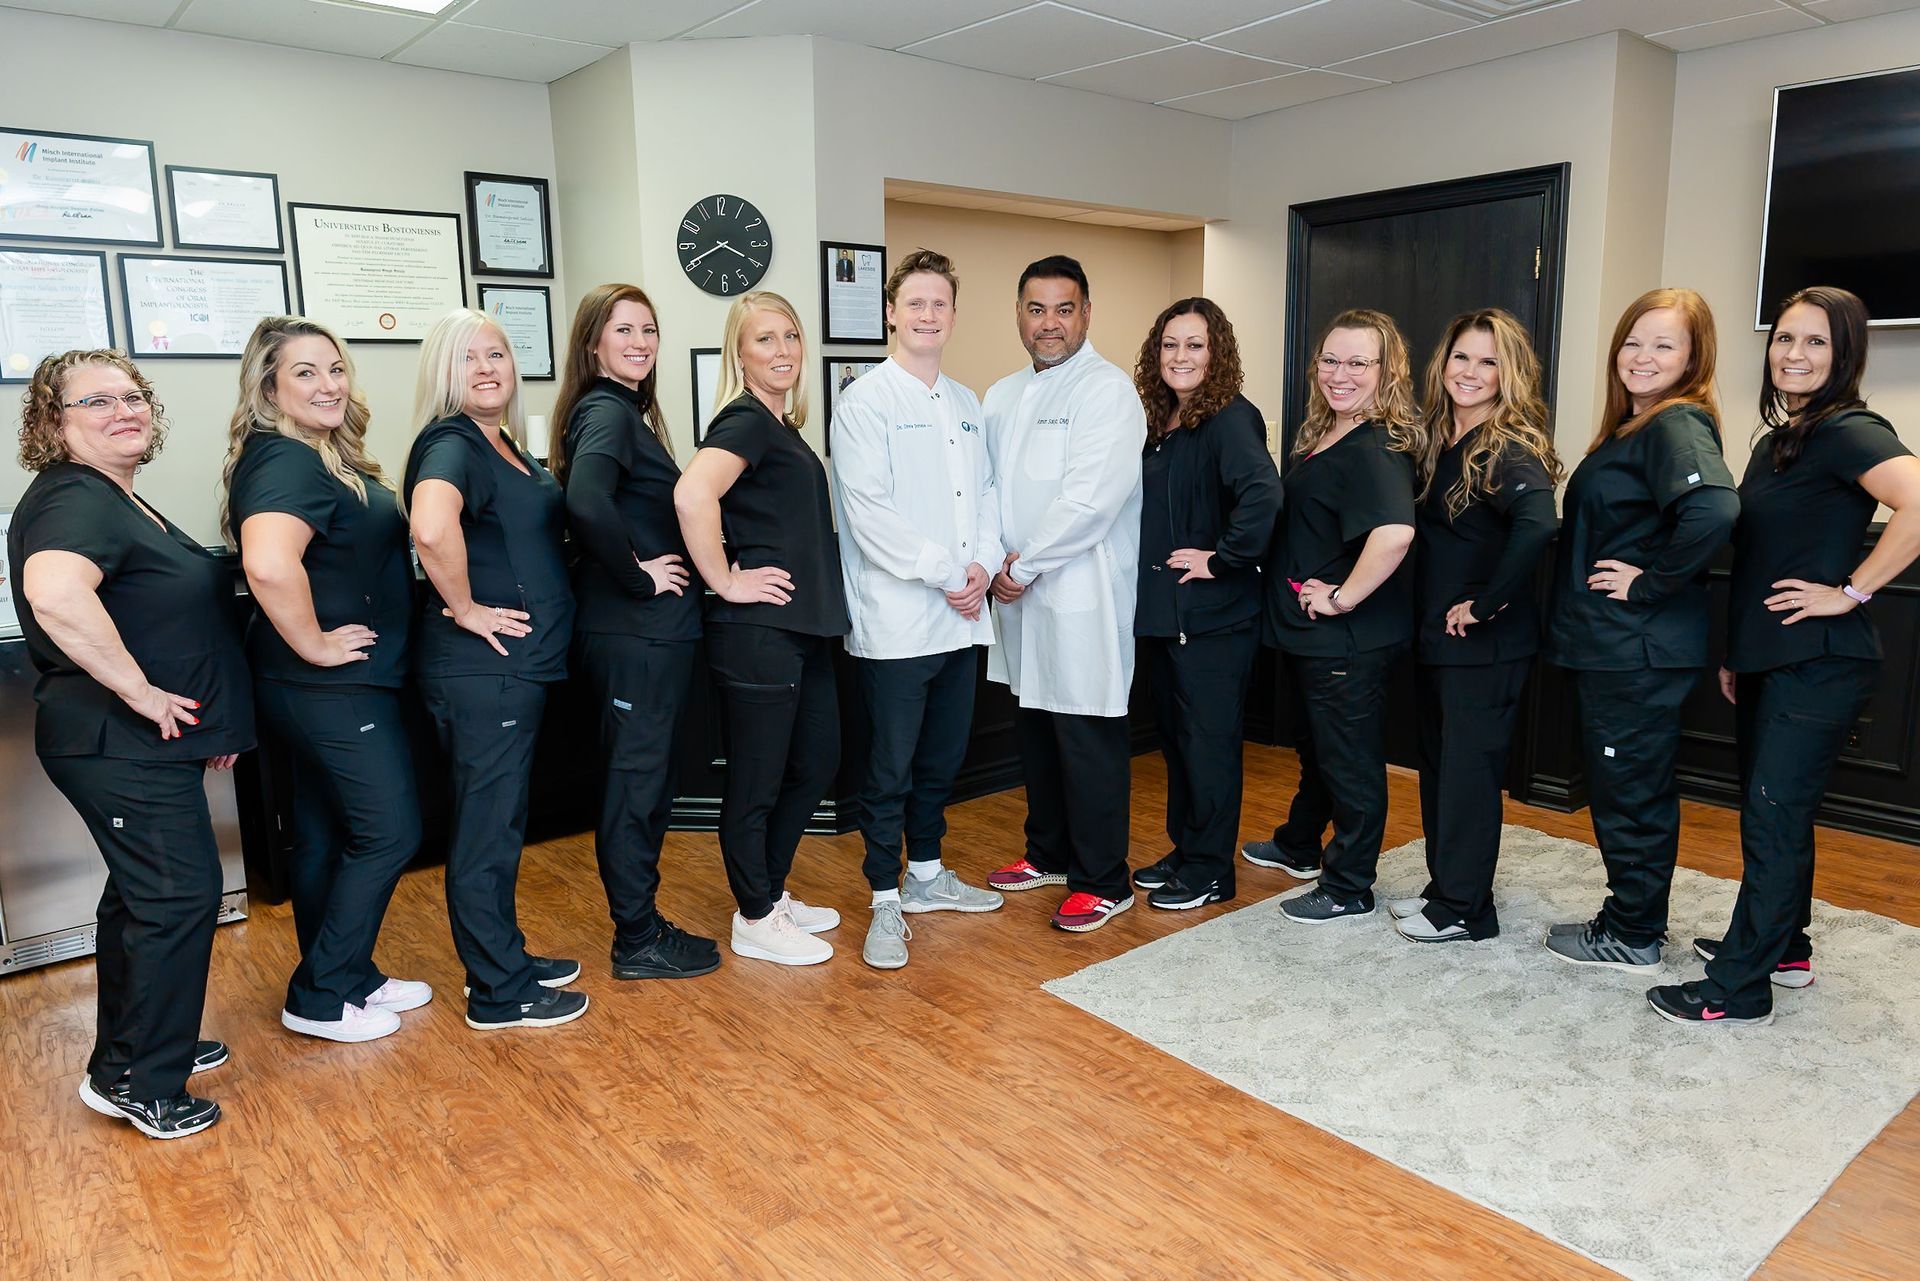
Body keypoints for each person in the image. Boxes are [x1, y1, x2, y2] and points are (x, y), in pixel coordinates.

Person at [1650, 287, 1920, 1024]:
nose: (1793, 355)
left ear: (1844, 357)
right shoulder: (1780, 442)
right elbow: (1766, 554)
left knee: (1772, 819)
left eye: (1815, 343)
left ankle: (1737, 988)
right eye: (1784, 339)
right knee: (1778, 814)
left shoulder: (1848, 430)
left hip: (1821, 661)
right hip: (1773, 658)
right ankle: (1787, 948)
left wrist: (1852, 590)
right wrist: (1743, 652)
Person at [9, 350, 252, 1139]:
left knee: (143, 895)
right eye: (97, 400)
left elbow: (165, 616)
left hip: (145, 742)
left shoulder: (117, 498)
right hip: (115, 738)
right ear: (53, 421)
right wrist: (142, 692)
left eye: (134, 396)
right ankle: (144, 1080)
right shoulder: (71, 500)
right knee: (177, 895)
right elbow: (54, 594)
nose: (125, 410)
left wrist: (201, 719)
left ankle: (133, 1050)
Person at [220, 317, 429, 1043]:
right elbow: (270, 565)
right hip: (324, 687)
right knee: (389, 828)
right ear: (269, 386)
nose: (328, 384)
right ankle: (317, 993)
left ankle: (350, 975)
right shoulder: (285, 461)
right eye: (305, 372)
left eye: (335, 368)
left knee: (320, 831)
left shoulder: (317, 456)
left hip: (314, 687)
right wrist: (313, 643)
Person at [1544, 288, 1738, 971]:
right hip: (1619, 647)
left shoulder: (1675, 425)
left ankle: (1632, 932)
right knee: (1631, 788)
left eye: (1665, 344)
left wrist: (1649, 581)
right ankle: (1633, 917)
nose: (1643, 356)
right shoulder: (1639, 425)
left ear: (1694, 358)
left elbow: (1714, 510)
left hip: (1636, 649)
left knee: (1631, 793)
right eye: (1634, 340)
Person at [403, 309, 585, 1029]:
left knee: (501, 823)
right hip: (484, 670)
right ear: (445, 372)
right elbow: (429, 524)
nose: (487, 368)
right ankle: (497, 990)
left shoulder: (498, 440)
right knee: (486, 830)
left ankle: (504, 956)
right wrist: (468, 606)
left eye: (498, 354)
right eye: (469, 357)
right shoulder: (451, 442)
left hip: (517, 668)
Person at [830, 249, 1006, 970]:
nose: (928, 315)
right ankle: (882, 898)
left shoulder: (967, 403)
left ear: (953, 317)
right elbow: (869, 515)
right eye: (916, 303)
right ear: (890, 313)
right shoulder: (865, 401)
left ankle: (928, 875)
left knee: (941, 758)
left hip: (961, 616)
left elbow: (988, 498)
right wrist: (946, 572)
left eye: (940, 304)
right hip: (899, 619)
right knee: (890, 768)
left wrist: (983, 568)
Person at [550, 285, 720, 982]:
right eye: (625, 330)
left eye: (649, 329)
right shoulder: (606, 411)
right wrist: (640, 576)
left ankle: (642, 924)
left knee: (646, 783)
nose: (641, 342)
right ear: (595, 343)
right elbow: (585, 500)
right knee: (636, 785)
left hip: (648, 635)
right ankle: (637, 937)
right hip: (636, 633)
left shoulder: (621, 413)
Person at [675, 291, 850, 966]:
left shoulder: (780, 424)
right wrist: (725, 578)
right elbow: (692, 494)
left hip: (802, 629)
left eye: (790, 337)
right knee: (757, 779)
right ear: (739, 354)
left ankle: (769, 890)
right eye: (764, 340)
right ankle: (754, 913)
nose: (781, 351)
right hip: (757, 632)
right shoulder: (745, 420)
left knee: (817, 761)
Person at [981, 255, 1147, 932]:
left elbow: (1090, 501)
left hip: (1080, 594)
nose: (1049, 323)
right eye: (1036, 308)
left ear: (1086, 312)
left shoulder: (1107, 391)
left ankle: (1105, 878)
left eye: (1064, 309)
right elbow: (987, 489)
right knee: (1037, 728)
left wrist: (1023, 567)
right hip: (1018, 596)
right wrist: (994, 561)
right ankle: (1046, 852)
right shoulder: (1000, 394)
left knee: (1086, 733)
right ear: (1018, 313)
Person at [1243, 308, 1419, 924]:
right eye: (1331, 360)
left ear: (1385, 371)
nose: (1340, 374)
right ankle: (1298, 844)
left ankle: (1348, 885)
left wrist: (1343, 597)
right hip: (1313, 636)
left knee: (1349, 761)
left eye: (1358, 363)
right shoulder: (1332, 433)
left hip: (1349, 636)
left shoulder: (1375, 445)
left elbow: (1394, 535)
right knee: (1318, 749)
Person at [1393, 309, 1562, 943]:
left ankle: (1466, 911)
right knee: (1441, 769)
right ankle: (1448, 890)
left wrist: (1488, 603)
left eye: (1488, 361)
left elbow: (1540, 525)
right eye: (1462, 357)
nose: (1471, 371)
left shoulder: (1506, 445)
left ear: (1508, 374)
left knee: (1465, 775)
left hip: (1485, 647)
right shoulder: (1443, 440)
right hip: (1442, 644)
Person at [1127, 298, 1281, 911]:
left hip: (1214, 620)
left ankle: (1213, 869)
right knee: (1179, 741)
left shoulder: (1229, 419)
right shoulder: (1162, 419)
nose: (1180, 356)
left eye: (1194, 344)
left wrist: (1221, 559)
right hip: (1166, 618)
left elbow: (1263, 498)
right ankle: (1187, 850)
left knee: (1208, 744)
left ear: (1216, 353)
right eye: (1170, 344)